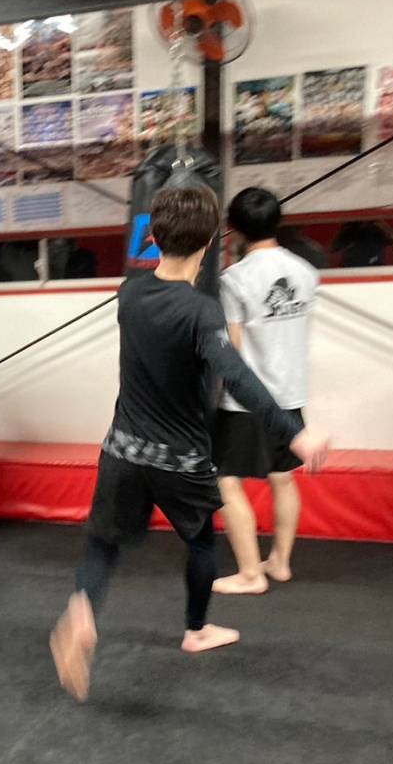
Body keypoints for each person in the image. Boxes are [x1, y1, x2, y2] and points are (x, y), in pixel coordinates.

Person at [49, 186, 330, 702]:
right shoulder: (201, 311)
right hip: (180, 458)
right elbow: (237, 376)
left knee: (103, 545)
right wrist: (295, 431)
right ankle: (196, 630)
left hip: (123, 449)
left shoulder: (129, 293)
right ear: (210, 244)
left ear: (154, 238)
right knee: (200, 542)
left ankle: (83, 609)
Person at [213, 188, 319, 595]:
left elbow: (233, 349)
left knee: (226, 481)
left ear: (234, 228)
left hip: (249, 399)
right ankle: (280, 562)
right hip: (291, 393)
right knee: (282, 478)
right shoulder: (305, 271)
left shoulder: (234, 279)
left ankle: (250, 574)